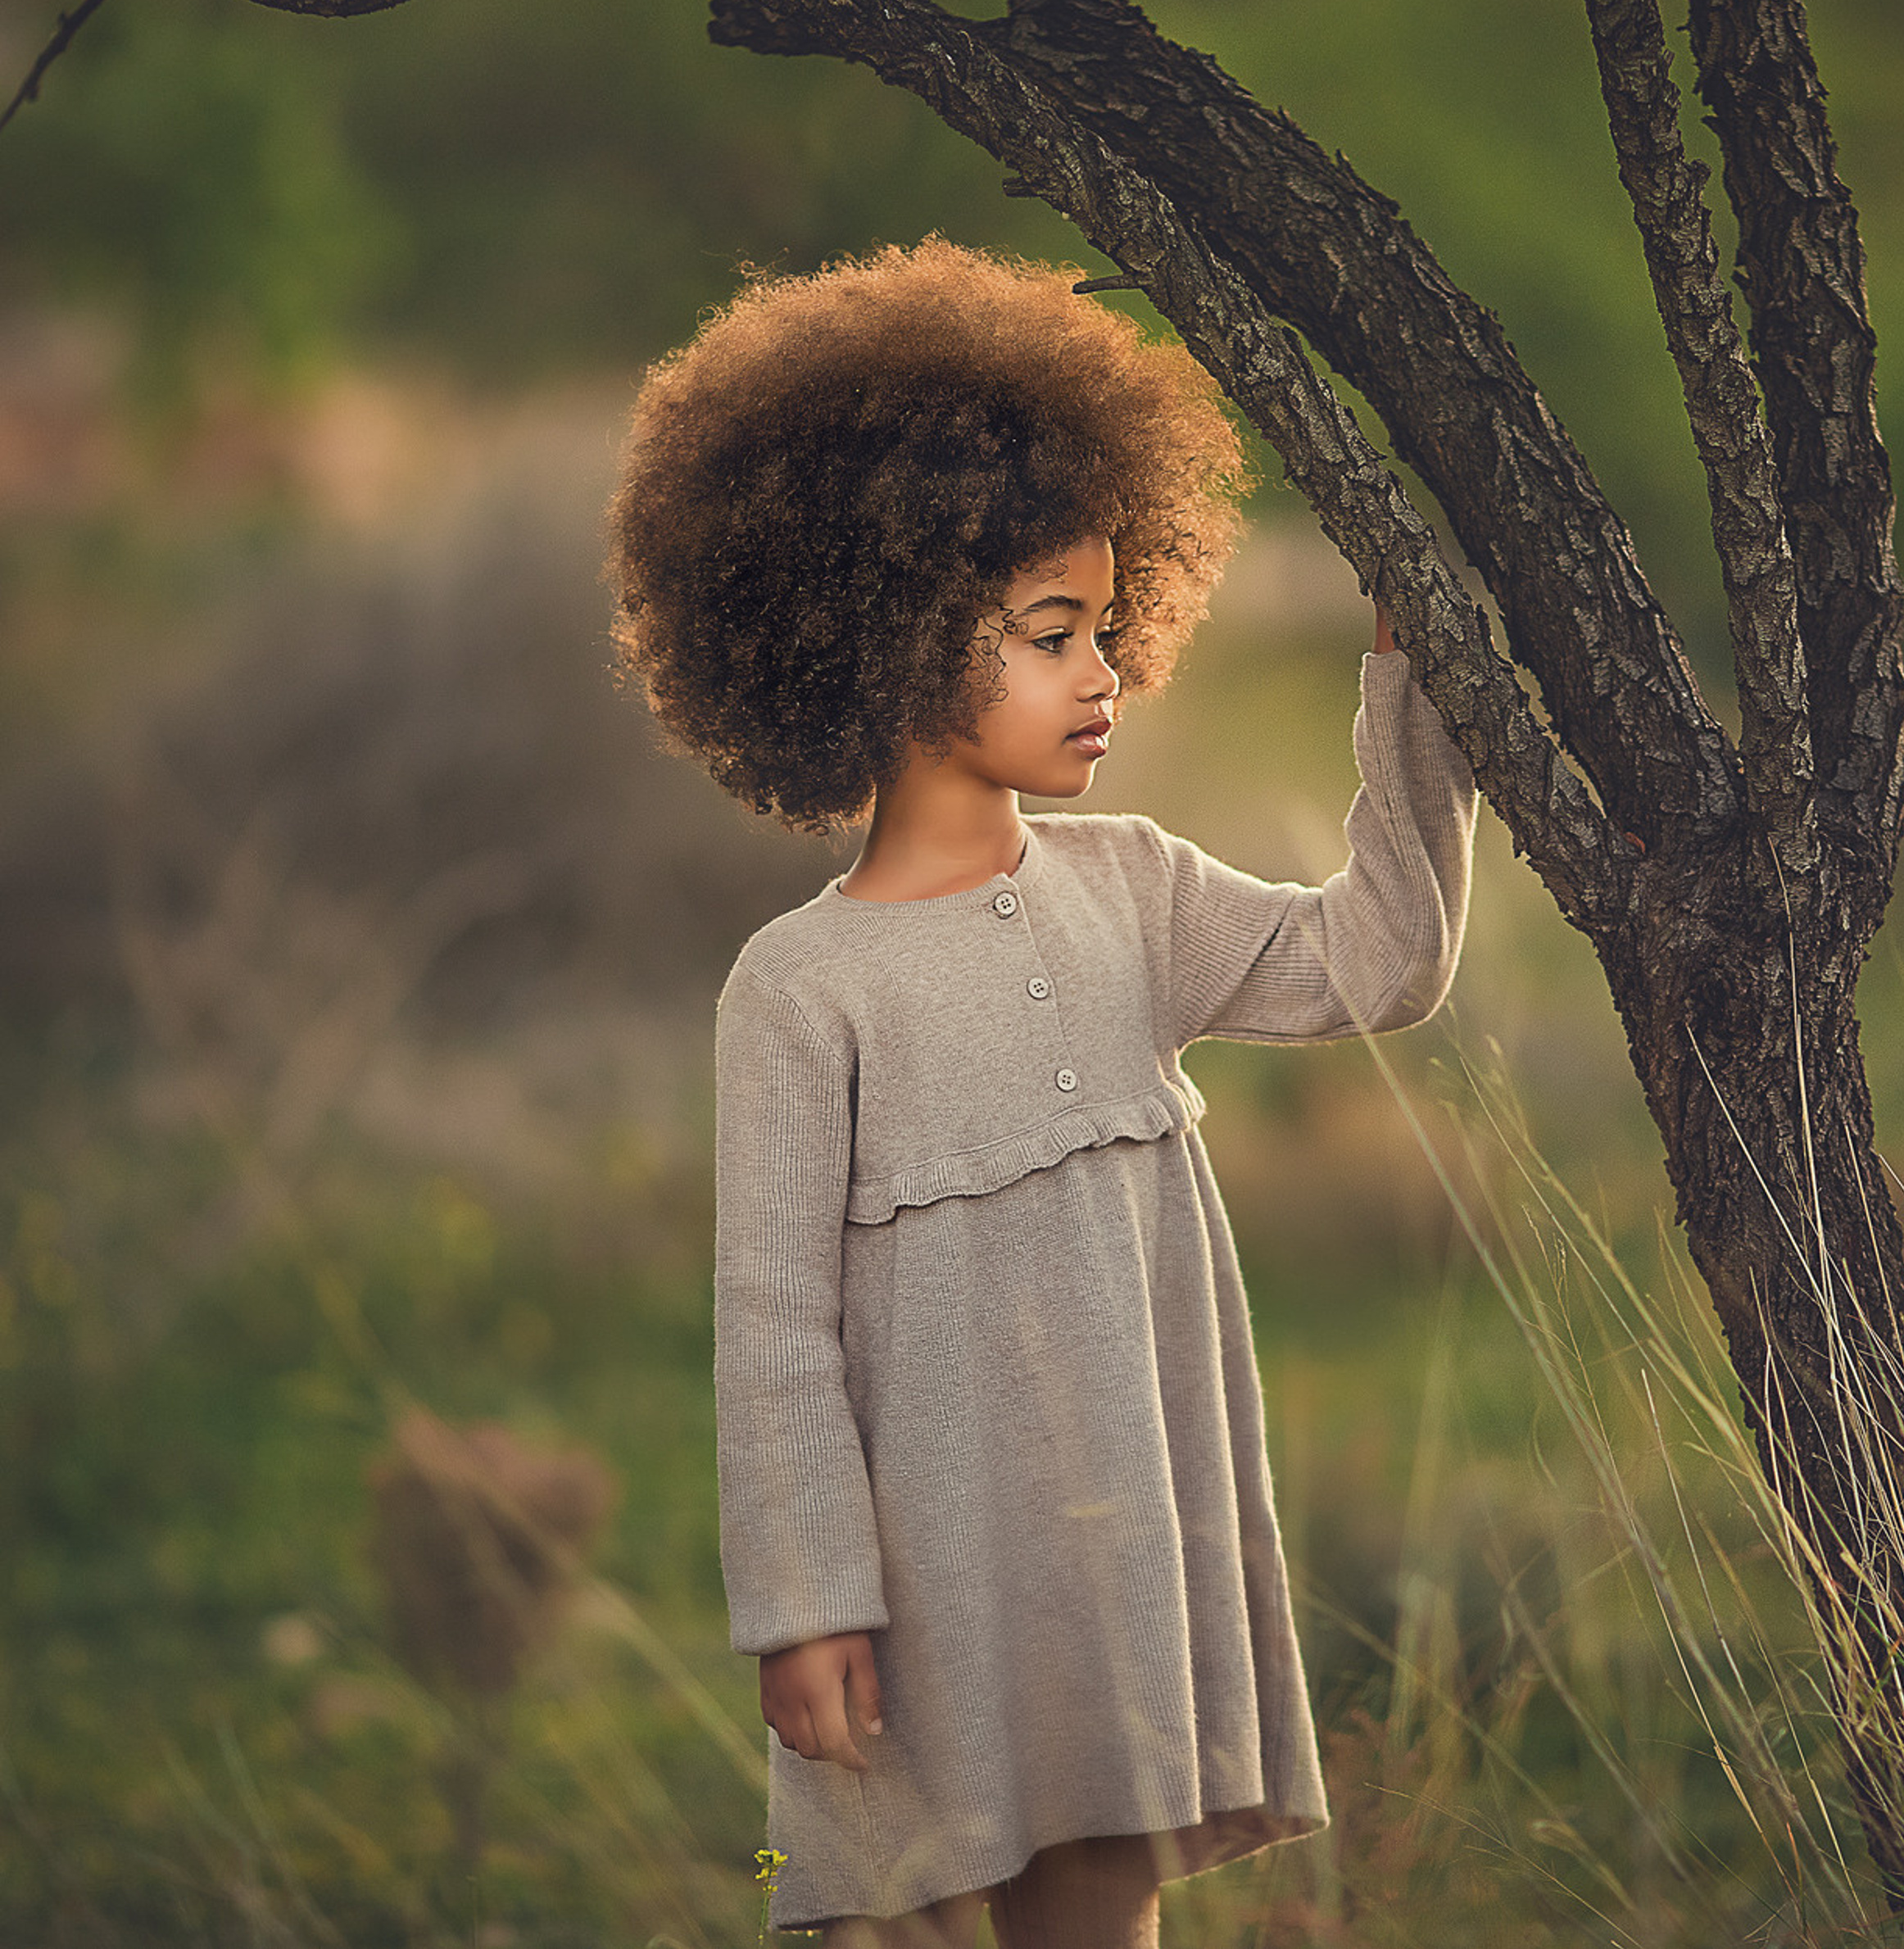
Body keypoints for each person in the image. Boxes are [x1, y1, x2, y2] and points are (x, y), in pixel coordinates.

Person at [605, 237, 1479, 1946]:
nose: (1102, 673)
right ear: (889, 633)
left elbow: (1379, 962)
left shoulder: (1132, 889)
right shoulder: (800, 986)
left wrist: (1408, 686)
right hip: (917, 1592)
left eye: (1104, 622)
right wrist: (802, 1605)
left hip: (1112, 1569)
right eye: (1046, 632)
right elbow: (771, 1322)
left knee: (1098, 1905)